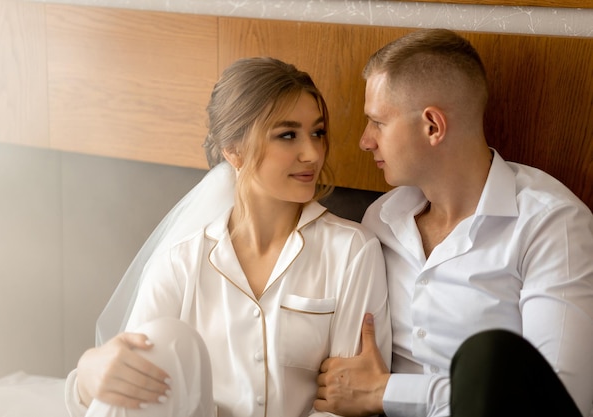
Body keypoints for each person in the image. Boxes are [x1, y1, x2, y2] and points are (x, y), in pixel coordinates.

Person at [64, 56, 392, 417]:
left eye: (317, 132)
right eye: (288, 135)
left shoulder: (351, 251)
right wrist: (86, 376)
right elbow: (125, 378)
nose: (312, 153)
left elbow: (347, 402)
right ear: (233, 150)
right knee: (167, 342)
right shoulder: (182, 259)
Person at [314, 28, 593, 417]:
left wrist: (387, 391)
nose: (364, 141)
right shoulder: (380, 220)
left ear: (433, 126)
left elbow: (560, 397)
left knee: (488, 356)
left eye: (377, 122)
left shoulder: (551, 225)